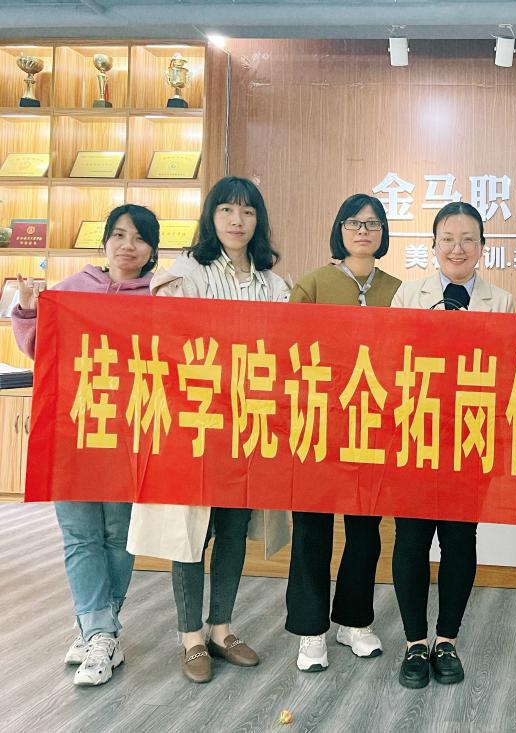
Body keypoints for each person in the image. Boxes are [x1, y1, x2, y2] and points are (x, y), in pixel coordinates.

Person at [126, 176, 290, 683]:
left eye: (247, 211)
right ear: (211, 217)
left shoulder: (273, 283)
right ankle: (190, 637)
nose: (237, 221)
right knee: (191, 533)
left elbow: (284, 348)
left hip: (247, 425)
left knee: (234, 529)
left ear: (259, 220)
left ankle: (222, 629)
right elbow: (172, 339)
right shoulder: (186, 271)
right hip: (195, 425)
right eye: (226, 210)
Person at [12, 204, 160, 686]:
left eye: (139, 238)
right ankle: (100, 630)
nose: (127, 246)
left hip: (129, 432)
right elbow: (40, 348)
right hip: (72, 430)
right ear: (104, 241)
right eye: (118, 235)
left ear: (152, 249)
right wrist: (28, 310)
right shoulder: (72, 289)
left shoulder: (161, 297)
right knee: (79, 534)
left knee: (118, 533)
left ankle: (98, 629)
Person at [389, 201, 514, 689]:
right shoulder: (408, 294)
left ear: (482, 247)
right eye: (447, 238)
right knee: (412, 540)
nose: (457, 248)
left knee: (460, 540)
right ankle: (414, 643)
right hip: (415, 433)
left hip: (470, 437)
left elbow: (508, 371)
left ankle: (447, 641)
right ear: (434, 245)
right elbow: (389, 361)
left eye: (468, 239)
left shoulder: (501, 302)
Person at [285, 193, 402, 672]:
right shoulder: (313, 283)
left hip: (372, 425)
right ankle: (311, 629)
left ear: (383, 233)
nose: (363, 231)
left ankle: (354, 621)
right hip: (317, 422)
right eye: (353, 223)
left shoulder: (398, 289)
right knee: (311, 527)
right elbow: (288, 351)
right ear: (339, 230)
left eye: (372, 224)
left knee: (365, 529)